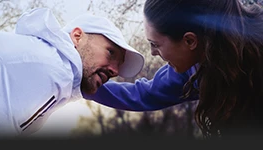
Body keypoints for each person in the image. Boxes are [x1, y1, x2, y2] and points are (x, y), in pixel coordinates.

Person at [83, 0, 263, 139]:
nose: (153, 53)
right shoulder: (193, 70)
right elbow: (143, 94)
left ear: (190, 41)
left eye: (155, 44)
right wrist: (80, 78)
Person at [0, 8, 144, 138]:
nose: (114, 70)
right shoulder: (51, 68)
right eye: (110, 52)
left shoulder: (50, 65)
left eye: (119, 66)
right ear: (77, 37)